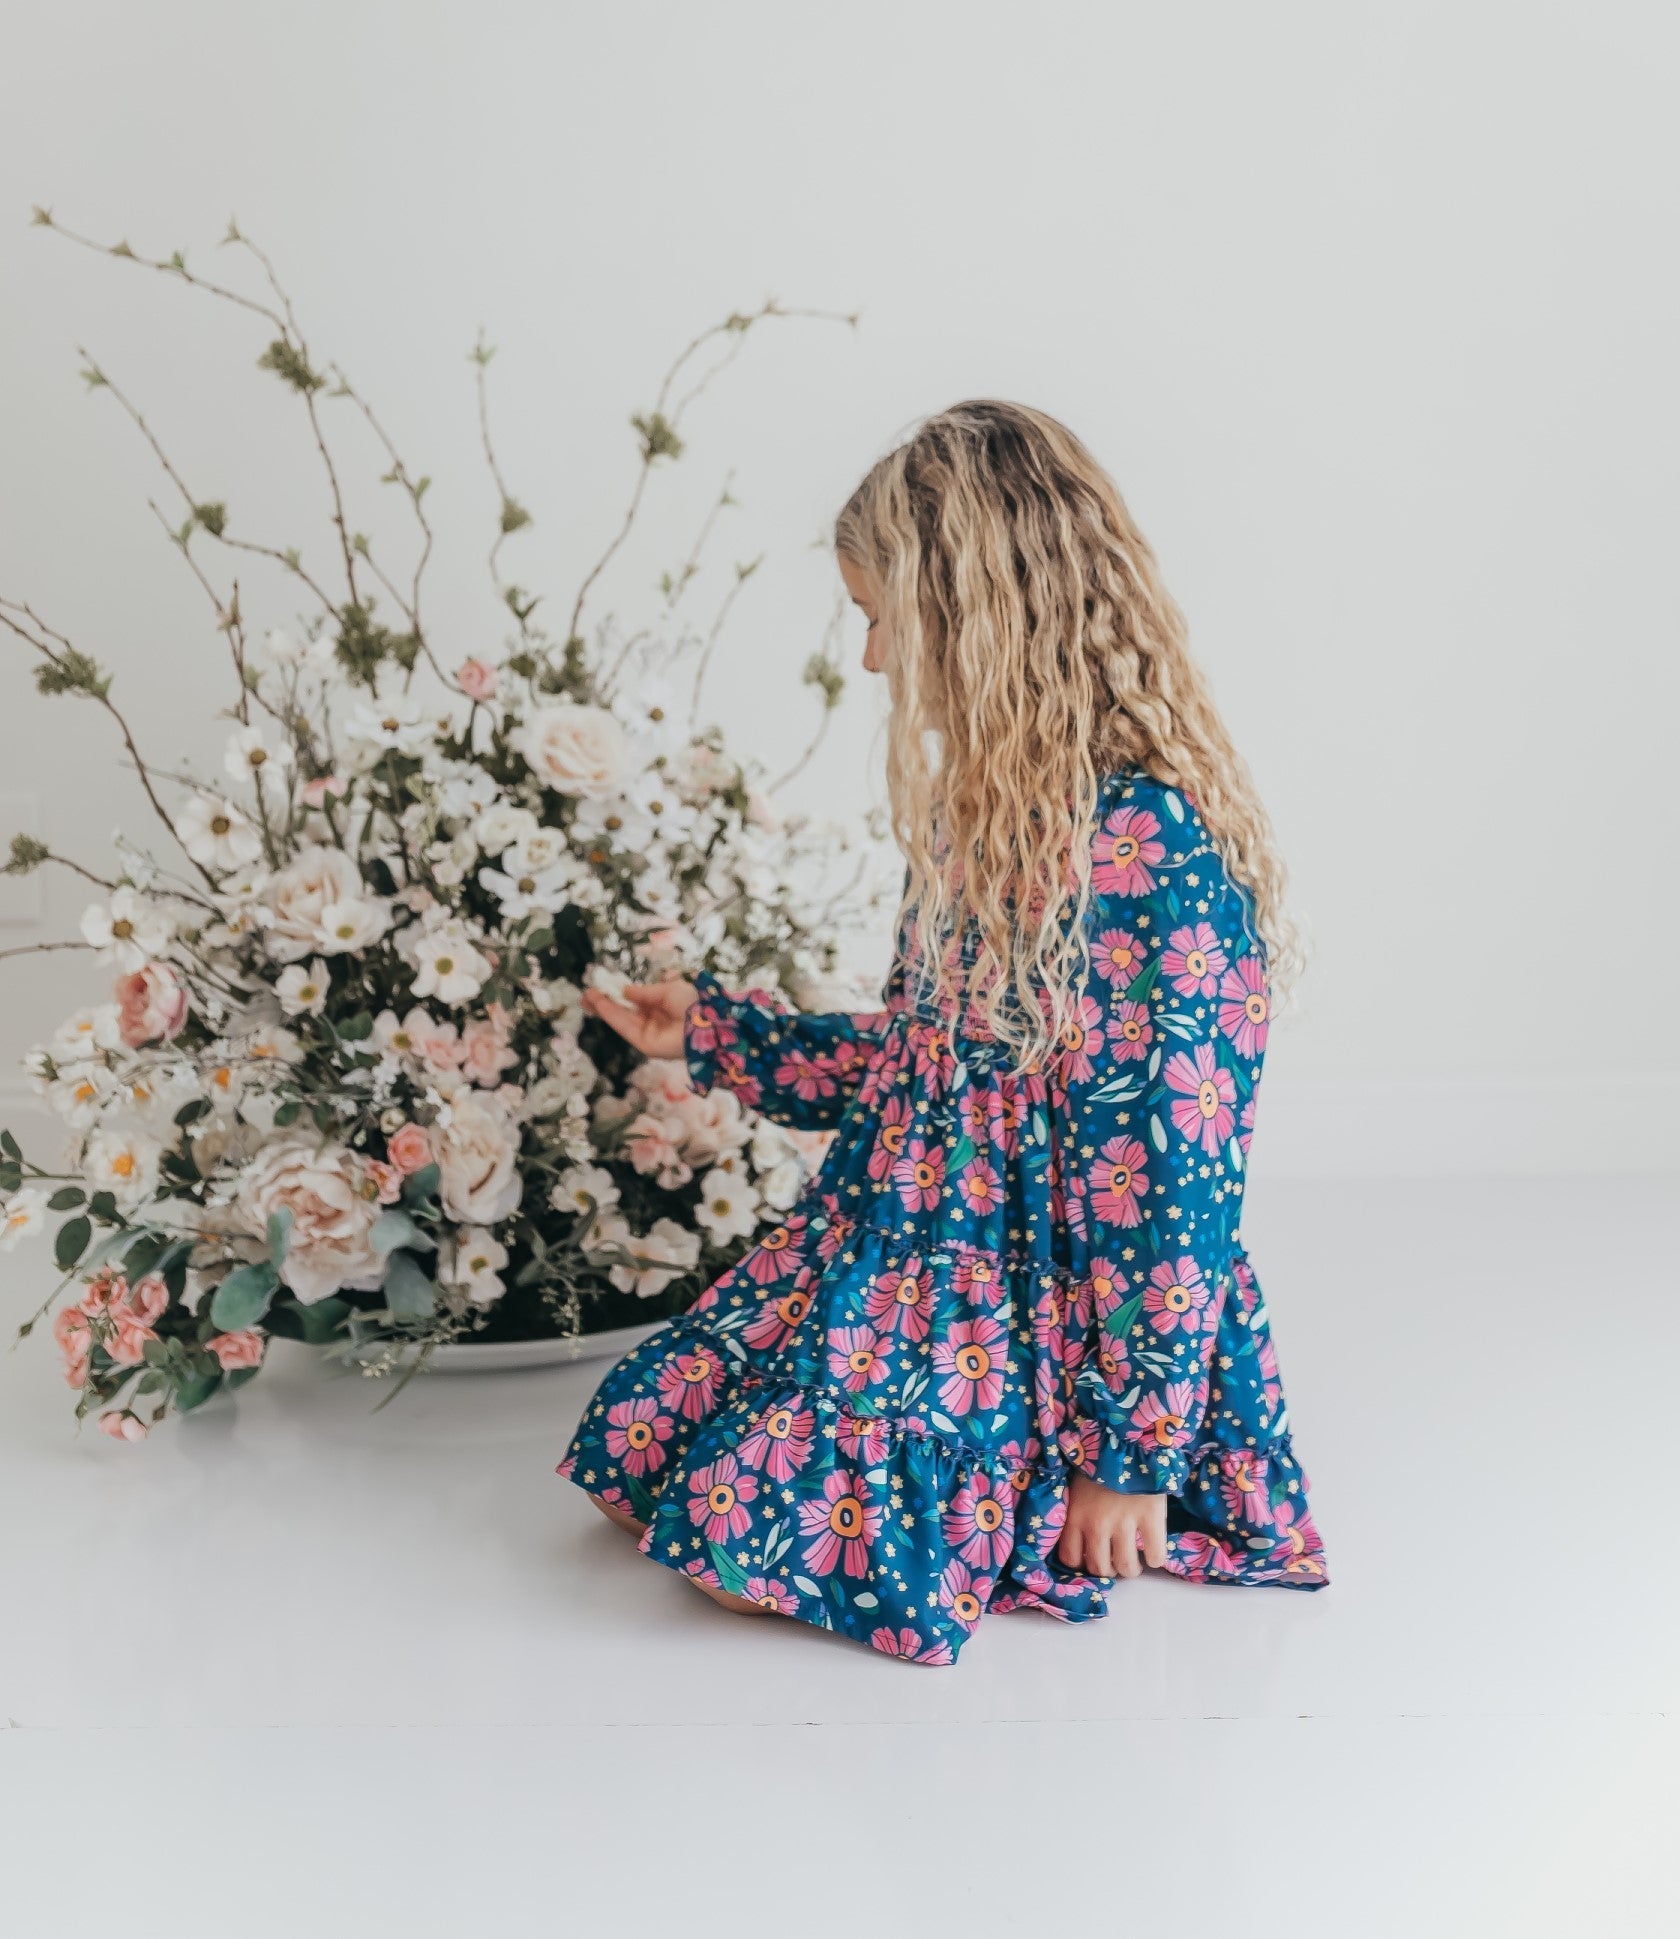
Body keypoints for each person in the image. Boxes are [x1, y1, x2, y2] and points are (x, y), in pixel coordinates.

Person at [558, 400, 1329, 1665]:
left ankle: (1023, 1463)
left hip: (1034, 1304)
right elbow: (932, 1065)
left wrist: (1128, 1456)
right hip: (907, 1249)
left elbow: (1172, 1183)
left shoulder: (1149, 849)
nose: (870, 660)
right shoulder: (996, 815)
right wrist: (719, 1037)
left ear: (975, 620)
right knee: (634, 1462)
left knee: (743, 1555)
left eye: (881, 620)